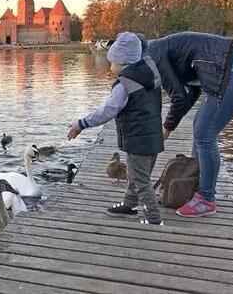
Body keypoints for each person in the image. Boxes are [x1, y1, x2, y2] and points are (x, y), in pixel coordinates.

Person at [147, 31, 233, 217]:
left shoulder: (153, 54)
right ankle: (195, 184)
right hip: (231, 66)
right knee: (199, 127)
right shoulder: (157, 50)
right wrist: (169, 127)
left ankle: (206, 199)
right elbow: (189, 94)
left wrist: (166, 129)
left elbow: (177, 97)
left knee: (205, 134)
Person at [67, 32, 164, 225]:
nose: (110, 67)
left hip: (138, 138)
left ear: (123, 62)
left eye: (112, 62)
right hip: (152, 136)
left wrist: (81, 124)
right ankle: (129, 205)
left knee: (142, 181)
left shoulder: (125, 84)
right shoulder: (149, 73)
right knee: (136, 175)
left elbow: (108, 110)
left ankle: (154, 219)